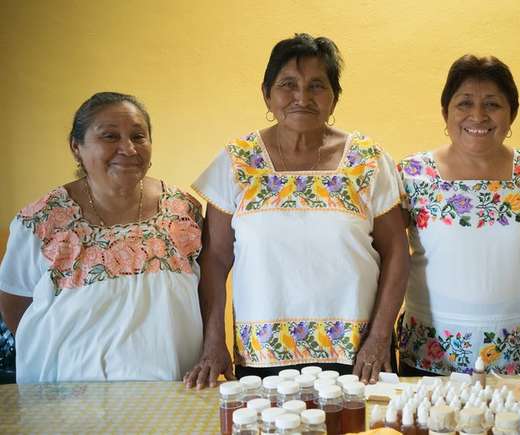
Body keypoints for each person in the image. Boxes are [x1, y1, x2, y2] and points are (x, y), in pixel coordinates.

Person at [186, 33, 408, 388]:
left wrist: (380, 337)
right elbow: (214, 259)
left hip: (358, 357)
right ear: (267, 94)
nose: (302, 97)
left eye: (316, 85)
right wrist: (213, 341)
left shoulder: (368, 160)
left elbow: (397, 251)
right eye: (288, 84)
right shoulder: (237, 162)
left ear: (334, 96)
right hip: (262, 358)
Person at [0, 92, 204, 383]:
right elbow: (14, 302)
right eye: (110, 137)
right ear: (76, 147)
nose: (128, 149)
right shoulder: (41, 219)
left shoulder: (184, 211)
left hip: (170, 386)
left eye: (138, 136)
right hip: (69, 396)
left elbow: (204, 292)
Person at [397, 55, 520, 376]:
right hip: (429, 355)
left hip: (514, 356)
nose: (478, 116)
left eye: (492, 104)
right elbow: (387, 258)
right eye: (464, 103)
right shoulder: (412, 174)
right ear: (445, 112)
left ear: (512, 114)